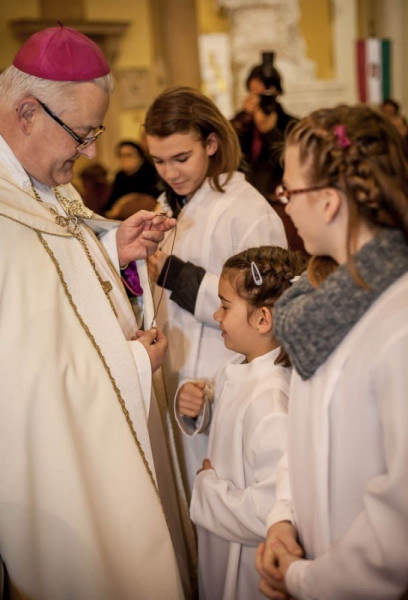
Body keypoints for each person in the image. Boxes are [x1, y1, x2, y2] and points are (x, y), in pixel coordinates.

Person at [0, 24, 187, 600]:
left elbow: (58, 288)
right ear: (27, 113)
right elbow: (22, 382)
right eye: (83, 134)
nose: (91, 153)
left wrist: (112, 250)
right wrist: (132, 367)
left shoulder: (44, 187)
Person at [256, 104, 408, 599]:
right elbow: (304, 434)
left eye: (288, 192)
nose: (285, 206)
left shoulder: (398, 323)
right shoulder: (320, 303)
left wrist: (302, 578)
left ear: (327, 202)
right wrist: (284, 517)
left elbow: (398, 522)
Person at [145, 86, 287, 494]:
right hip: (175, 378)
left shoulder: (248, 210)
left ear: (210, 144)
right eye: (159, 161)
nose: (170, 172)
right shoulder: (167, 204)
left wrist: (178, 277)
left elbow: (265, 310)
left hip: (219, 383)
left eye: (181, 158)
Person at [175, 246, 306, 600]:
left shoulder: (271, 403)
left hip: (246, 564)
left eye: (225, 306)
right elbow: (229, 416)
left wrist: (207, 490)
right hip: (222, 542)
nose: (216, 314)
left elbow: (272, 511)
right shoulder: (239, 368)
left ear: (263, 319)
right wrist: (200, 403)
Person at [230, 52, 297, 200]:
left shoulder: (292, 124)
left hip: (278, 198)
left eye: (266, 96)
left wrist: (270, 132)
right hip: (244, 196)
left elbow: (291, 161)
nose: (262, 101)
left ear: (277, 92)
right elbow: (229, 155)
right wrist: (244, 119)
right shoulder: (239, 123)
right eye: (256, 95)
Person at [104, 140, 160, 219]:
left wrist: (126, 201)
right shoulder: (120, 176)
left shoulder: (151, 173)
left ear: (140, 157)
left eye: (128, 155)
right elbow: (111, 203)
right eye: (120, 155)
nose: (124, 159)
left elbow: (153, 200)